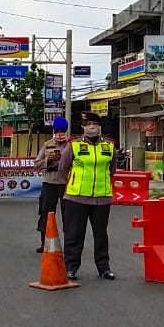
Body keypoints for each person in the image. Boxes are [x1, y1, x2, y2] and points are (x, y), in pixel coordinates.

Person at [57, 111, 117, 281]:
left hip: (102, 198)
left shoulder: (109, 146)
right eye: (89, 124)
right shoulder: (74, 146)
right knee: (75, 235)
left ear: (100, 127)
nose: (93, 127)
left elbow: (112, 170)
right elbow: (63, 168)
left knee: (101, 235)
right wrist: (73, 183)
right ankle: (71, 268)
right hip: (77, 197)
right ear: (83, 127)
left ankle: (104, 268)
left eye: (96, 125)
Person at [34, 116, 70, 252]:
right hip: (49, 183)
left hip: (66, 184)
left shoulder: (71, 146)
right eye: (58, 131)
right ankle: (44, 242)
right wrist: (48, 160)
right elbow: (37, 163)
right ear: (54, 131)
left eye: (63, 131)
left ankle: (70, 245)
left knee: (69, 216)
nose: (60, 134)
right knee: (46, 213)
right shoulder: (47, 144)